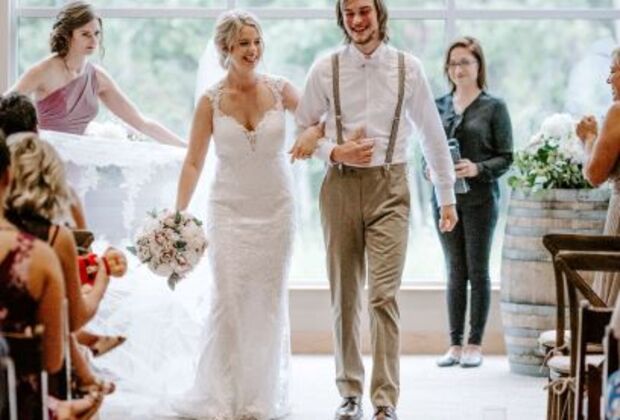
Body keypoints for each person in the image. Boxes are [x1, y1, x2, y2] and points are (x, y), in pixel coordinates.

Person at [293, 1, 458, 419]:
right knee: (345, 295)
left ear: (379, 12)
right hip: (340, 186)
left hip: (391, 186)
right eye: (348, 12)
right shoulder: (325, 68)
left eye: (363, 10)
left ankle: (385, 401)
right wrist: (334, 151)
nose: (356, 20)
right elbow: (302, 127)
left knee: (383, 295)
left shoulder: (408, 68)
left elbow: (432, 134)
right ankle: (349, 393)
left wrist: (446, 196)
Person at [173, 10, 322, 419]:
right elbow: (193, 162)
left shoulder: (281, 89)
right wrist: (177, 216)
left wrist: (311, 132)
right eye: (244, 43)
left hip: (276, 209)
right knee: (229, 299)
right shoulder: (210, 101)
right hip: (228, 210)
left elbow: (321, 117)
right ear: (225, 48)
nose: (253, 50)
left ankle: (259, 397)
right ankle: (223, 395)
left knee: (267, 302)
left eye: (257, 42)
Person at [0, 131, 103, 420]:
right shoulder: (43, 251)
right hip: (24, 402)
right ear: (7, 177)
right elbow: (54, 356)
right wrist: (102, 279)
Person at [431, 36, 513, 369]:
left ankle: (474, 344)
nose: (458, 69)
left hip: (480, 200)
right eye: (452, 63)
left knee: (477, 271)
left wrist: (477, 168)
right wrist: (429, 169)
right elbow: (426, 148)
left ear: (479, 65)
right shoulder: (438, 105)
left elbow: (506, 157)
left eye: (465, 62)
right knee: (454, 270)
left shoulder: (494, 107)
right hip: (444, 199)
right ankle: (454, 344)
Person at [7, 1, 184, 147]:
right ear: (68, 36)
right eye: (85, 34)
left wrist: (186, 147)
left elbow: (141, 123)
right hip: (48, 161)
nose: (93, 40)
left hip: (82, 159)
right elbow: (4, 108)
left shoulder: (98, 77)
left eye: (96, 33)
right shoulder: (43, 70)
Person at [576, 46, 620, 306]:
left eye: (613, 71)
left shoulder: (618, 112)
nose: (608, 80)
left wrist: (589, 138)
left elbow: (594, 175)